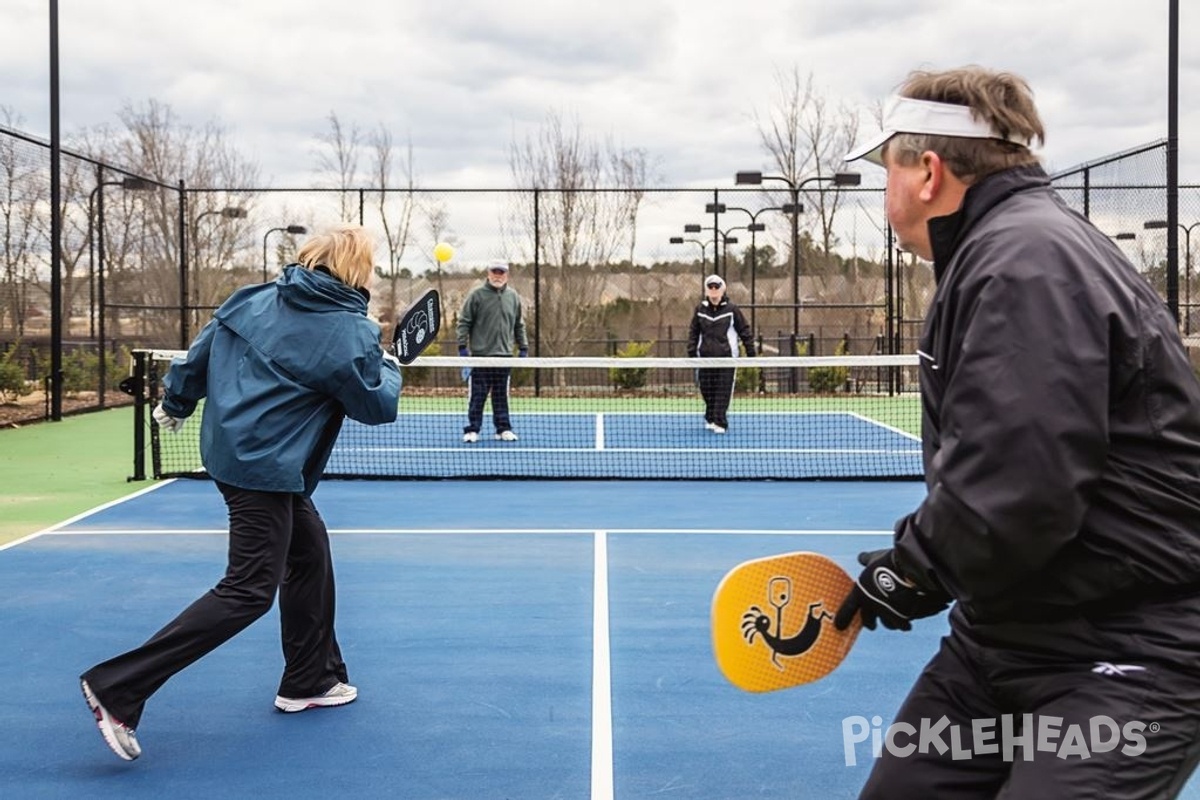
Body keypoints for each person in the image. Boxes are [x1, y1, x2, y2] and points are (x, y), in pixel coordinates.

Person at [832, 66, 1200, 799]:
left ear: (929, 173)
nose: (885, 191)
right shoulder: (1004, 251)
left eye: (887, 169)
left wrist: (911, 570)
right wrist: (920, 563)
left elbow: (1020, 484)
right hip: (1004, 640)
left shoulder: (1024, 263)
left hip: (1129, 654)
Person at [80, 225, 402, 762]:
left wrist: (176, 402)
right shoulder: (351, 330)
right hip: (267, 468)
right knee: (249, 589)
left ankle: (310, 679)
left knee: (310, 553)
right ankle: (118, 688)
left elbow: (201, 354)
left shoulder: (254, 298)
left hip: (234, 455)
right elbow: (376, 407)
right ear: (355, 269)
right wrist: (388, 368)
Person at [456, 258, 528, 442]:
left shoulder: (513, 297)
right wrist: (462, 347)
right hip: (480, 357)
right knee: (478, 396)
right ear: (488, 273)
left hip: (504, 357)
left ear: (507, 275)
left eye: (501, 272)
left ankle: (503, 429)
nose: (498, 275)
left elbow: (519, 324)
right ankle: (472, 429)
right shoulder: (477, 295)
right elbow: (464, 321)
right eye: (495, 271)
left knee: (501, 396)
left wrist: (523, 347)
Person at [686, 273, 755, 434]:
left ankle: (720, 421)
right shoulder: (700, 310)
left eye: (717, 287)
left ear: (723, 290)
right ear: (706, 290)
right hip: (705, 359)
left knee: (722, 391)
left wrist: (751, 352)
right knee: (707, 389)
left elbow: (744, 331)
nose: (714, 290)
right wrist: (692, 352)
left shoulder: (732, 310)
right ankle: (710, 417)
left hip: (727, 359)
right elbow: (693, 332)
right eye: (711, 287)